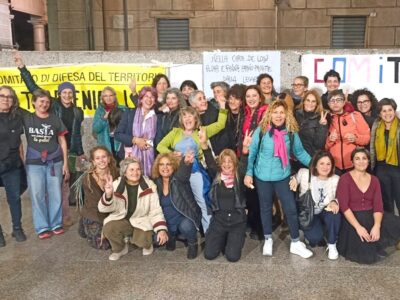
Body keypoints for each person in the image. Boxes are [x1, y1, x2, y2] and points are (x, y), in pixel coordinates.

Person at [14, 51, 84, 226]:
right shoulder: (52, 106)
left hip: (70, 152)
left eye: (70, 92)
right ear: (59, 94)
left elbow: (76, 134)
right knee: (45, 190)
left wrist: (80, 153)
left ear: (73, 94)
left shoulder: (78, 111)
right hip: (52, 152)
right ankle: (45, 221)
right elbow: (34, 88)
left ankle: (62, 218)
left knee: (63, 188)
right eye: (64, 92)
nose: (67, 95)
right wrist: (22, 68)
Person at [244, 100, 313, 258]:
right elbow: (252, 153)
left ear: (286, 114)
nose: (278, 115)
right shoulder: (261, 131)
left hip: (282, 176)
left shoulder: (291, 132)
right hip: (262, 177)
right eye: (275, 112)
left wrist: (315, 165)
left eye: (281, 112)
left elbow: (300, 152)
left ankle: (295, 242)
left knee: (290, 208)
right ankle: (268, 239)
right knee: (266, 208)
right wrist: (248, 173)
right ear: (270, 114)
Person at [157, 106, 228, 233]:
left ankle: (208, 232)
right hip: (179, 173)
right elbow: (160, 146)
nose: (187, 118)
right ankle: (189, 231)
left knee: (202, 201)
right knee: (184, 202)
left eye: (190, 116)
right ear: (181, 120)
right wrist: (172, 154)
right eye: (185, 116)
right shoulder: (175, 132)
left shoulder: (202, 131)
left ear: (196, 119)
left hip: (195, 171)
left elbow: (220, 124)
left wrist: (222, 108)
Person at [336, 148, 400, 264]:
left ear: (368, 161)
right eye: (357, 159)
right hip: (353, 218)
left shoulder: (374, 180)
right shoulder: (344, 179)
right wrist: (358, 228)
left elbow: (378, 205)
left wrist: (377, 225)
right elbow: (344, 207)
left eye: (364, 158)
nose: (361, 161)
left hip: (372, 214)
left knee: (395, 224)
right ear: (352, 162)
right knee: (366, 256)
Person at [99, 157, 168, 261]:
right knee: (109, 228)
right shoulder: (116, 185)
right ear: (124, 172)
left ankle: (138, 239)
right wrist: (108, 194)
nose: (135, 172)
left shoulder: (149, 186)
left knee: (144, 242)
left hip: (141, 219)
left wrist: (161, 229)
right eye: (131, 169)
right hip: (122, 219)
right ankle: (120, 249)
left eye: (138, 169)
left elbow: (155, 210)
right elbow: (102, 209)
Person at [23, 89, 69, 239]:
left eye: (47, 102)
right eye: (41, 101)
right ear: (34, 102)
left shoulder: (55, 119)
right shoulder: (27, 118)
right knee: (37, 195)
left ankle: (56, 223)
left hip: (54, 161)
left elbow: (62, 141)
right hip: (34, 163)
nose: (44, 104)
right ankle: (42, 226)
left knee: (56, 193)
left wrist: (65, 164)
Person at [200, 129, 247, 262]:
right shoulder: (216, 176)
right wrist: (204, 144)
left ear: (234, 163)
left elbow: (244, 163)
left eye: (230, 161)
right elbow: (209, 161)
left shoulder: (239, 176)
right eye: (224, 161)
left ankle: (234, 238)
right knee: (209, 254)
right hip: (219, 221)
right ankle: (221, 238)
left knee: (232, 257)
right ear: (220, 163)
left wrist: (245, 150)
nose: (226, 164)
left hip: (237, 222)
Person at [290, 150, 341, 260]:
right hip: (309, 213)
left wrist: (335, 201)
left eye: (328, 164)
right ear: (315, 165)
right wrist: (293, 179)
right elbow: (293, 178)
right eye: (321, 163)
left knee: (335, 214)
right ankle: (312, 232)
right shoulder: (304, 173)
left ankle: (332, 245)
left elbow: (341, 196)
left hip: (325, 211)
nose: (325, 167)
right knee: (315, 239)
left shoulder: (336, 179)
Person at [152, 152, 201, 259]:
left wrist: (186, 162)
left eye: (168, 164)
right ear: (157, 167)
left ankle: (193, 243)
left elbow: (184, 173)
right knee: (156, 240)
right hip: (167, 221)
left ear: (173, 166)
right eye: (161, 164)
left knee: (187, 226)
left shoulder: (179, 179)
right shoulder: (155, 183)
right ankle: (172, 236)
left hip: (183, 218)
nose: (165, 167)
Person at [75, 146, 119, 250]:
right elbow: (98, 206)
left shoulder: (115, 173)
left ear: (108, 159)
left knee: (118, 240)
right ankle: (84, 223)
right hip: (95, 213)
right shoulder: (88, 178)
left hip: (111, 212)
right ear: (93, 162)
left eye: (103, 157)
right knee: (104, 245)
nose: (101, 160)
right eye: (97, 158)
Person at [0, 86, 27, 246]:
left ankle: (17, 228)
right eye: (2, 96)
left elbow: (19, 143)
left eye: (9, 97)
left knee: (14, 198)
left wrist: (22, 161)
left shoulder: (17, 116)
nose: (5, 99)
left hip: (12, 164)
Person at [240, 85, 267, 240]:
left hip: (260, 159)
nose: (251, 99)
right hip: (246, 156)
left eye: (254, 95)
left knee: (259, 195)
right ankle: (254, 224)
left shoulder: (265, 112)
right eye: (248, 96)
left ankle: (261, 229)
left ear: (260, 97)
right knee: (250, 193)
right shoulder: (246, 113)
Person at [115, 87, 157, 177]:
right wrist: (135, 140)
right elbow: (117, 134)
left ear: (155, 101)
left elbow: (159, 139)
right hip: (129, 157)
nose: (149, 99)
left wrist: (146, 143)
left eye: (152, 97)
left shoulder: (158, 116)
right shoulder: (130, 113)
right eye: (146, 96)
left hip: (151, 159)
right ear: (141, 99)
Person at [325, 90, 370, 175]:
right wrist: (330, 140)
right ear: (328, 104)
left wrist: (355, 138)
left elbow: (367, 138)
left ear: (343, 102)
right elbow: (323, 146)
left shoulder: (355, 115)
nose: (335, 103)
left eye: (338, 100)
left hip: (354, 165)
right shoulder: (326, 119)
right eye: (332, 100)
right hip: (334, 166)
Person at [370, 98, 400, 214]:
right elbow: (372, 147)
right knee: (386, 202)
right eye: (384, 111)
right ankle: (391, 228)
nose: (387, 113)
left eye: (390, 110)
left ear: (394, 111)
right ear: (379, 113)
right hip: (381, 168)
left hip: (397, 168)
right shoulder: (376, 125)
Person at [189, 90, 230, 156]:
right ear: (193, 104)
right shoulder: (190, 118)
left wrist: (222, 105)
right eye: (200, 99)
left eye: (204, 98)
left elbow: (221, 124)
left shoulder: (215, 112)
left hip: (221, 152)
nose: (204, 101)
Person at [92, 86, 127, 162]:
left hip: (120, 144)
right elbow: (95, 129)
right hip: (105, 145)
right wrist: (104, 119)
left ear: (115, 96)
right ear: (102, 98)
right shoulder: (100, 110)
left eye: (111, 95)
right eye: (105, 96)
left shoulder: (123, 109)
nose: (108, 98)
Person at [295, 90, 329, 160]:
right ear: (303, 101)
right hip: (295, 157)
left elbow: (319, 144)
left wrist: (322, 126)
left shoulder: (321, 118)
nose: (310, 103)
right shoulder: (295, 114)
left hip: (310, 157)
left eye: (313, 101)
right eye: (308, 100)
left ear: (317, 104)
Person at [226, 84, 246, 152]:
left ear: (241, 102)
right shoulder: (224, 115)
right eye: (230, 98)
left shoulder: (245, 116)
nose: (232, 101)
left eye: (236, 99)